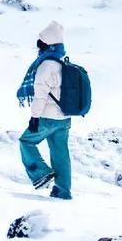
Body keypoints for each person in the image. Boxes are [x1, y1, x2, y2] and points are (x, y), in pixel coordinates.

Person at [16, 21, 72, 200]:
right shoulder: (61, 62)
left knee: (26, 141)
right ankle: (63, 191)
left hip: (47, 117)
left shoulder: (46, 65)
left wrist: (34, 117)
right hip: (64, 118)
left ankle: (41, 174)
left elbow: (41, 95)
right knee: (60, 153)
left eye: (40, 42)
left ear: (47, 43)